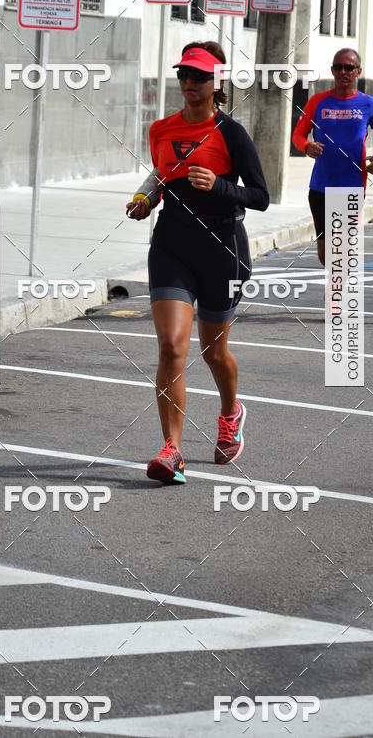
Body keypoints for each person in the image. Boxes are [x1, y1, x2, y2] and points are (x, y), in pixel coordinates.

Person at [126, 41, 269, 484]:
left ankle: (231, 412)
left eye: (199, 77)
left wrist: (219, 187)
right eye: (183, 75)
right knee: (171, 346)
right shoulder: (162, 129)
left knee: (213, 351)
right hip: (172, 246)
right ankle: (172, 451)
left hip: (222, 251)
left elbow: (261, 196)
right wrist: (146, 198)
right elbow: (162, 175)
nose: (189, 83)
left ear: (216, 83)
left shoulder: (231, 133)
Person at [292, 48, 373, 265]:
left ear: (358, 71)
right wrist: (306, 146)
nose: (343, 72)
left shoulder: (368, 104)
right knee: (325, 254)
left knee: (342, 249)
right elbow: (298, 134)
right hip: (320, 186)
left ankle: (336, 298)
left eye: (349, 67)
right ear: (332, 70)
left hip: (352, 185)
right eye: (339, 67)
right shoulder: (317, 101)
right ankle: (336, 293)